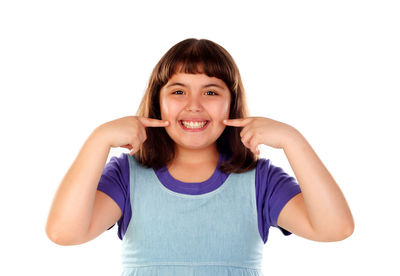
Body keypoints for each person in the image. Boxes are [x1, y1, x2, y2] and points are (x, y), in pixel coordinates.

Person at [46, 38, 354, 275]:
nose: (194, 105)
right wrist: (98, 140)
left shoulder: (259, 180)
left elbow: (334, 228)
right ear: (158, 102)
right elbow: (63, 233)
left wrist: (293, 140)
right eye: (178, 91)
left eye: (211, 92)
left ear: (231, 105)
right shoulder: (128, 176)